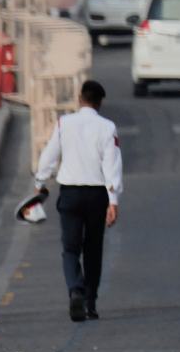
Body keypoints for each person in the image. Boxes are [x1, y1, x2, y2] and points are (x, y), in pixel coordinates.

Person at [34, 79, 121, 323]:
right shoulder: (107, 127)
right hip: (96, 195)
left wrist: (40, 182)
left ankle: (75, 289)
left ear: (80, 99)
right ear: (99, 102)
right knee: (93, 250)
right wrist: (113, 200)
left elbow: (49, 156)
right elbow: (112, 166)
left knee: (70, 248)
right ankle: (91, 303)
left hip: (70, 193)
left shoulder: (64, 123)